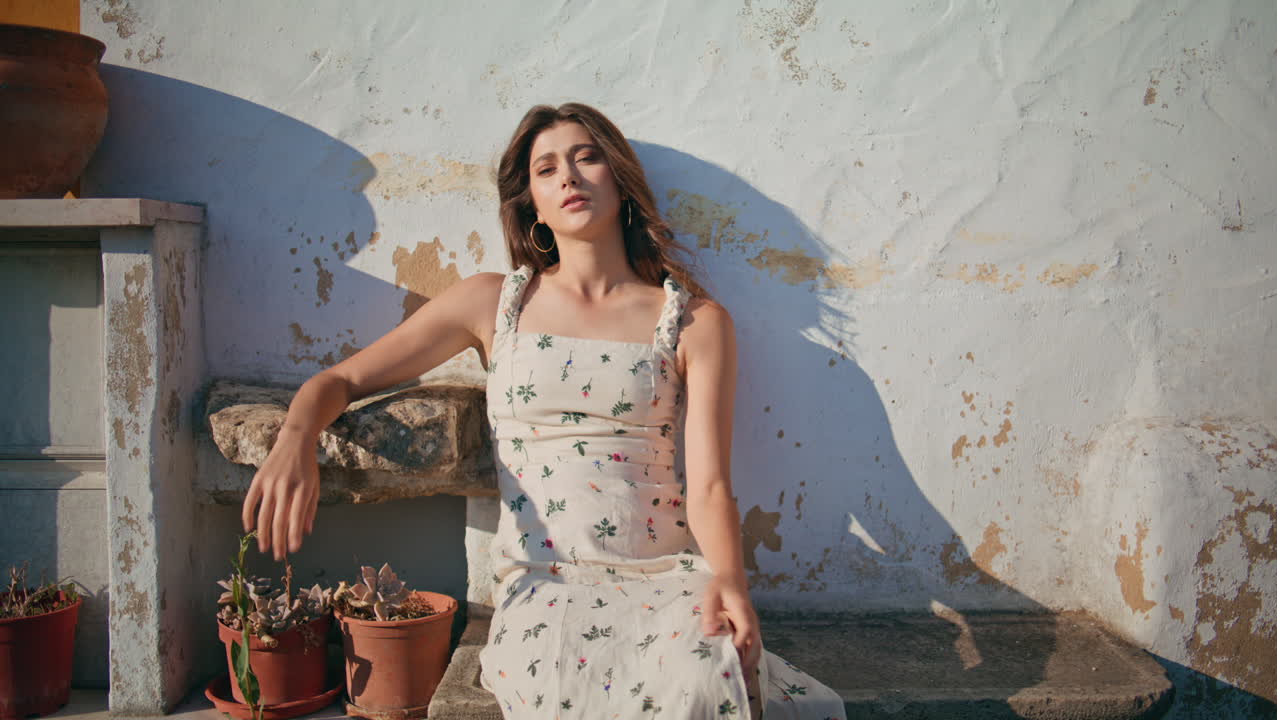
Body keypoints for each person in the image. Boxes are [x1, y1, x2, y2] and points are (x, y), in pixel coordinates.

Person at [241, 102, 846, 719]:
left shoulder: (694, 322)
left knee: (702, 677)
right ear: (530, 199)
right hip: (546, 581)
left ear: (621, 179)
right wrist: (296, 438)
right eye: (547, 167)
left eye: (587, 157)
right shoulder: (493, 302)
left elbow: (712, 485)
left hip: (663, 576)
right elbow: (343, 378)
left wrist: (731, 585)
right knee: (565, 684)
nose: (569, 177)